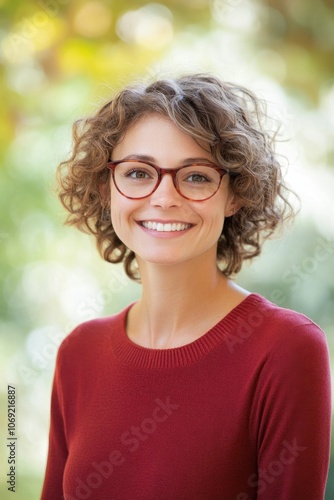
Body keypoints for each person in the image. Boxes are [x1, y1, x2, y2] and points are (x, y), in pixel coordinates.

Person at [41, 74, 331, 500]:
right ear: (107, 190)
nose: (164, 196)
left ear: (234, 194)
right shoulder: (77, 353)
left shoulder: (286, 348)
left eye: (195, 177)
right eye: (139, 172)